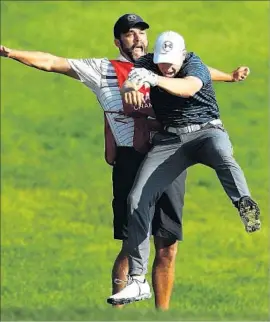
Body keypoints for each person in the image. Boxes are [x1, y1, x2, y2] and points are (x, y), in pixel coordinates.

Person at [0, 17, 251, 310]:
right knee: (131, 241)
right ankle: (118, 311)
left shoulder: (160, 64)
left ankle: (162, 313)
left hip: (170, 153)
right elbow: (53, 61)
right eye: (129, 35)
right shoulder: (102, 69)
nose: (138, 39)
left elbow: (198, 73)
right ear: (118, 42)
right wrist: (11, 53)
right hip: (130, 159)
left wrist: (230, 77)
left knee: (168, 245)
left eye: (141, 33)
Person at [107, 30, 260, 306]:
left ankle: (245, 205)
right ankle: (138, 281)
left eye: (171, 62)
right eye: (161, 62)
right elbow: (130, 84)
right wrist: (130, 89)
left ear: (182, 54)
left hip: (206, 133)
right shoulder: (148, 63)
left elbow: (188, 87)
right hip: (170, 141)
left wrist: (155, 79)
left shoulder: (193, 63)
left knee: (223, 155)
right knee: (136, 198)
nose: (166, 67)